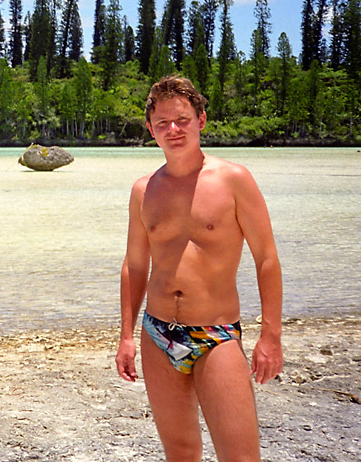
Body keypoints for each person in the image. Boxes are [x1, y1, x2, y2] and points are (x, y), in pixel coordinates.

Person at [115, 75, 283, 462]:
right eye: (162, 123)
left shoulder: (233, 180)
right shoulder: (144, 189)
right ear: (150, 129)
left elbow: (267, 259)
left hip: (217, 334)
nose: (173, 130)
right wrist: (126, 335)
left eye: (182, 120)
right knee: (181, 452)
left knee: (240, 456)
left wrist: (270, 336)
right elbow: (135, 264)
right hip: (157, 334)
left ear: (201, 120)